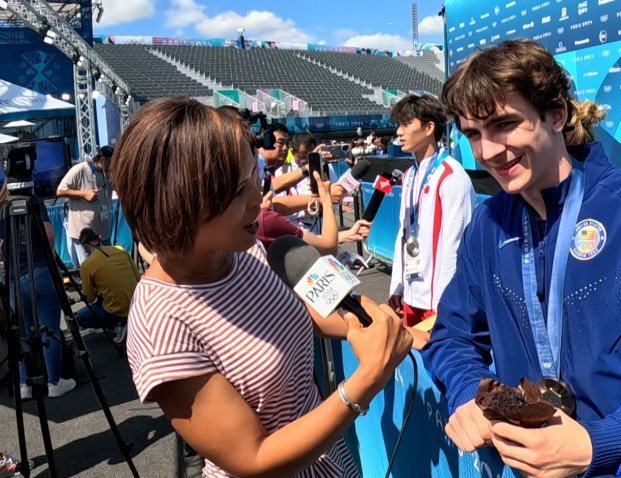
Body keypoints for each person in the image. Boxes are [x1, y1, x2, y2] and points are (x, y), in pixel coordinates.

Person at [422, 40, 621, 477]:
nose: (487, 151)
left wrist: (598, 444)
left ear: (556, 115)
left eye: (505, 124)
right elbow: (453, 337)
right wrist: (470, 394)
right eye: (472, 134)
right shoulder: (486, 228)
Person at [111, 97, 412, 477]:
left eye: (254, 177)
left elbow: (298, 313)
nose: (259, 199)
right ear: (178, 202)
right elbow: (255, 459)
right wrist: (366, 381)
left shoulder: (246, 249)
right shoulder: (161, 323)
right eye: (239, 191)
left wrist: (373, 326)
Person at [388, 94, 475, 327]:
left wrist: (444, 303)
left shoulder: (452, 176)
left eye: (406, 124)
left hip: (439, 301)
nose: (399, 132)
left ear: (428, 128)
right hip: (410, 294)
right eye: (398, 125)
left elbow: (456, 243)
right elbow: (403, 233)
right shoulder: (408, 176)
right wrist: (397, 283)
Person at [0, 182, 76, 400]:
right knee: (48, 328)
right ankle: (54, 382)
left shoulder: (2, 206)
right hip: (41, 270)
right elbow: (49, 236)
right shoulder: (33, 201)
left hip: (14, 276)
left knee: (21, 331)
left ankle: (24, 384)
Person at [76, 227, 140, 343]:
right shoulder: (120, 250)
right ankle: (125, 323)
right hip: (136, 304)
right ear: (99, 238)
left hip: (115, 310)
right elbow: (137, 277)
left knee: (79, 318)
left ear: (84, 245)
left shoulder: (86, 266)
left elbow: (90, 298)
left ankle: (118, 325)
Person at [56, 146, 114, 268]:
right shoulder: (80, 169)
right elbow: (60, 191)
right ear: (103, 160)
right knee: (90, 269)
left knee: (108, 267)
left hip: (103, 233)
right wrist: (84, 194)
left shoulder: (109, 174)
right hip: (84, 235)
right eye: (111, 162)